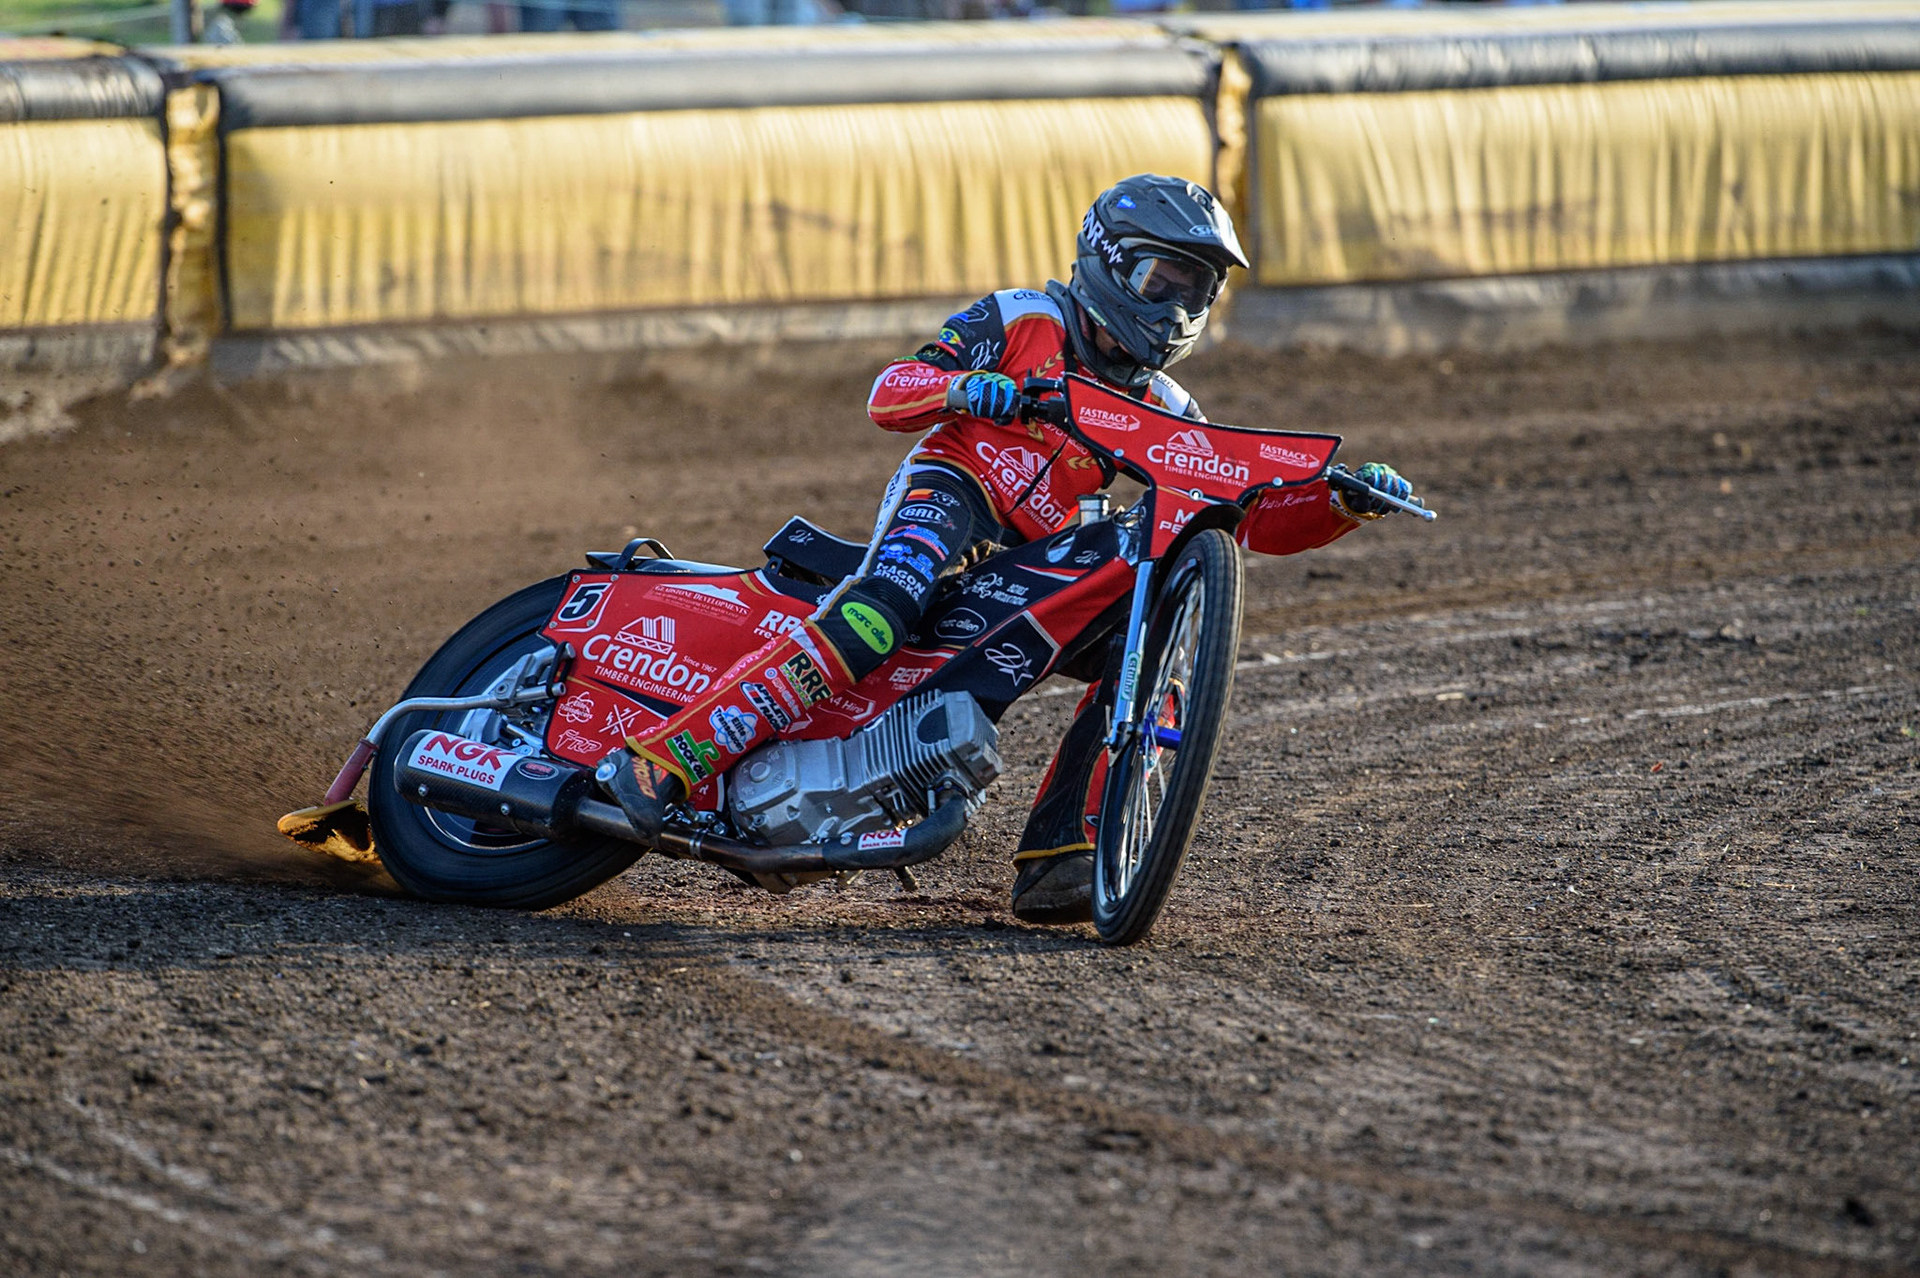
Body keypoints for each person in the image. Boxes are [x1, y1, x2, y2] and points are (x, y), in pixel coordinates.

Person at [604, 174, 1412, 924]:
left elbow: (1241, 521)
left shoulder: (1167, 403)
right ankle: (666, 761)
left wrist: (1336, 503)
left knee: (1151, 638)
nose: (1174, 308)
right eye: (1160, 282)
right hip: (952, 492)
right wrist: (963, 388)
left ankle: (1062, 853)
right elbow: (889, 393)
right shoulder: (1027, 319)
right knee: (879, 615)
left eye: (1195, 291)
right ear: (1108, 264)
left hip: (1028, 559)